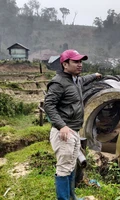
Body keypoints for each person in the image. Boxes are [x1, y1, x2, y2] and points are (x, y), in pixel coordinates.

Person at [44, 49, 102, 200]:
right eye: (75, 61)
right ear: (65, 64)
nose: (80, 64)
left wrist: (95, 76)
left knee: (70, 166)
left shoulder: (74, 80)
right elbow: (48, 105)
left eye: (81, 61)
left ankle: (72, 197)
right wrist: (61, 126)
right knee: (64, 168)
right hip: (64, 132)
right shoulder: (58, 83)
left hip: (74, 131)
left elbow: (84, 80)